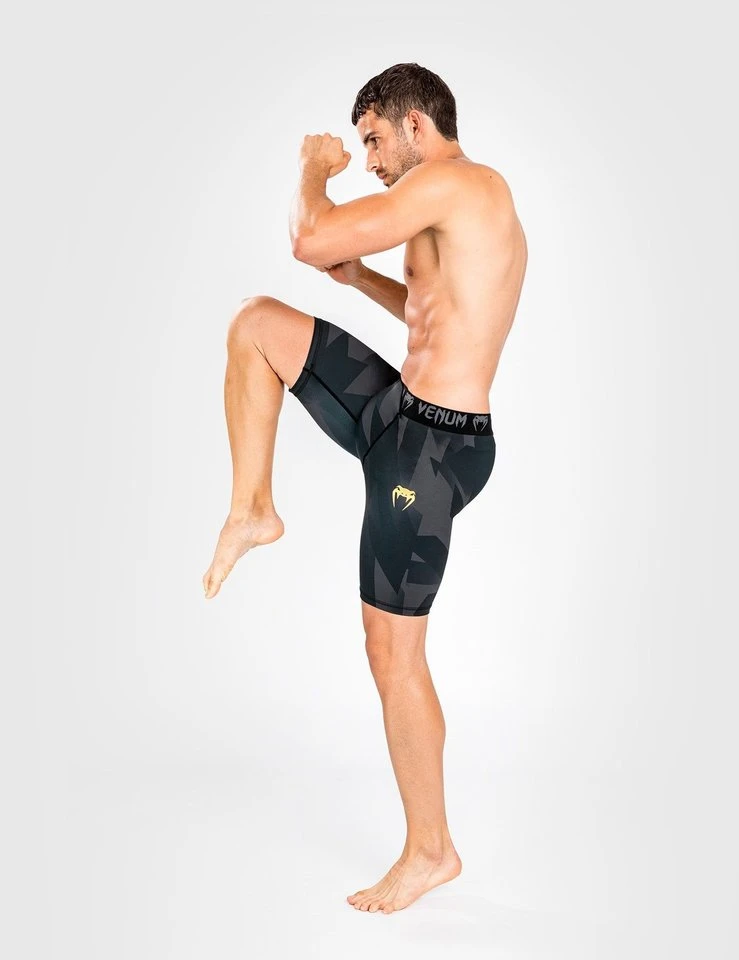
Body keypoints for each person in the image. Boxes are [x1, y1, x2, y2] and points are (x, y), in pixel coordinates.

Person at [202, 62, 527, 914]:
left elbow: (310, 237)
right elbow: (433, 313)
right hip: (399, 414)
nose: (370, 159)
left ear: (417, 125)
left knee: (393, 654)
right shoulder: (458, 205)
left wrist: (313, 169)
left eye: (375, 139)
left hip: (434, 451)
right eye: (357, 146)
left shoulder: (458, 183)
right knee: (256, 324)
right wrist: (360, 283)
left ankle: (432, 850)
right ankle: (252, 508)